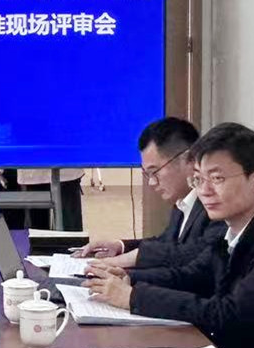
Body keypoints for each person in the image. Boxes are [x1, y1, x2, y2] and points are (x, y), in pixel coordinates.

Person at [86, 122, 254, 348]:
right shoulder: (229, 231)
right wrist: (129, 279)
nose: (204, 191)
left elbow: (229, 314)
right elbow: (191, 276)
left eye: (217, 178)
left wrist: (133, 297)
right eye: (199, 179)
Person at [77, 117, 218, 274]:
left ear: (188, 159)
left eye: (154, 171)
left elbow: (189, 258)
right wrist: (120, 246)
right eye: (147, 174)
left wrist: (124, 270)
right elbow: (165, 244)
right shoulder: (182, 202)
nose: (151, 182)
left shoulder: (214, 205)